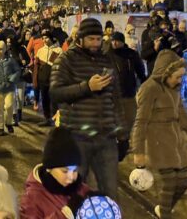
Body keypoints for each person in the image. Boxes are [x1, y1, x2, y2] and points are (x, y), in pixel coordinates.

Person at [50, 18, 128, 200]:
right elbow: (55, 93)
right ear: (80, 38)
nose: (95, 43)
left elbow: (116, 100)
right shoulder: (66, 60)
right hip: (77, 138)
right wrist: (87, 87)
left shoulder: (107, 60)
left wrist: (123, 135)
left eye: (98, 39)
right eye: (91, 39)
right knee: (74, 193)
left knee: (110, 194)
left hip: (106, 138)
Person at [132, 49, 187, 219]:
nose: (180, 80)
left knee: (184, 181)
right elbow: (140, 122)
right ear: (165, 73)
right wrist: (138, 152)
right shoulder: (149, 89)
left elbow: (183, 118)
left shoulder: (174, 89)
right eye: (177, 76)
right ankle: (164, 214)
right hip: (158, 142)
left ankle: (162, 209)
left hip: (175, 142)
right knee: (170, 181)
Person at [20, 127, 91, 219]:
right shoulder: (32, 198)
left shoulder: (81, 189)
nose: (71, 177)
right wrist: (66, 215)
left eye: (74, 170)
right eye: (65, 171)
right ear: (49, 169)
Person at [108, 31, 146, 135]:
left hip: (129, 93)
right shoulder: (107, 55)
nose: (114, 43)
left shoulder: (131, 54)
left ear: (122, 42)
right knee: (116, 122)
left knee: (131, 120)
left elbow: (140, 70)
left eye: (117, 41)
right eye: (113, 41)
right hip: (113, 95)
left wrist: (143, 81)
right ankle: (120, 141)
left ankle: (130, 140)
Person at [34, 31, 61, 126]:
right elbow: (36, 67)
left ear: (51, 38)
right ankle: (47, 119)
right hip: (43, 79)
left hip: (54, 79)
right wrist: (35, 79)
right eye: (43, 38)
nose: (44, 40)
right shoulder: (40, 51)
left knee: (54, 100)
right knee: (45, 100)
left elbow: (61, 65)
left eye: (46, 38)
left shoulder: (58, 50)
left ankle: (57, 120)